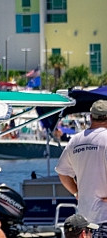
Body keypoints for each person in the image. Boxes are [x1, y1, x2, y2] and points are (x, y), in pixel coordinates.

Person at [57, 100, 107, 237]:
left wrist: (76, 192)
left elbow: (62, 173)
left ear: (91, 117)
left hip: (86, 221)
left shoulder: (76, 140)